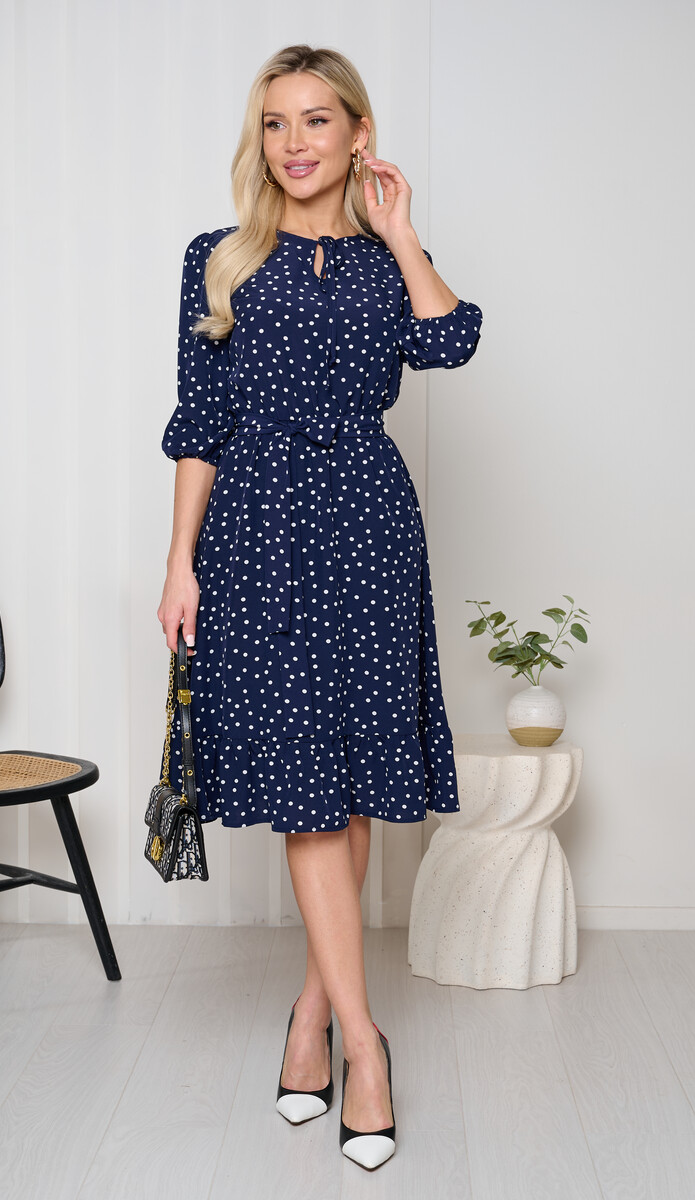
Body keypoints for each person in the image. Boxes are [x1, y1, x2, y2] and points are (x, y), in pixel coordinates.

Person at [157, 43, 482, 1170]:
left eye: (315, 120)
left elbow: (449, 340)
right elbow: (198, 421)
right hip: (254, 532)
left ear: (356, 134)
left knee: (348, 782)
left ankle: (309, 1017)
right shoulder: (218, 258)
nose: (293, 143)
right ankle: (365, 1042)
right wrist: (179, 562)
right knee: (306, 790)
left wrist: (401, 232)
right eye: (274, 123)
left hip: (368, 528)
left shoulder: (391, 261)